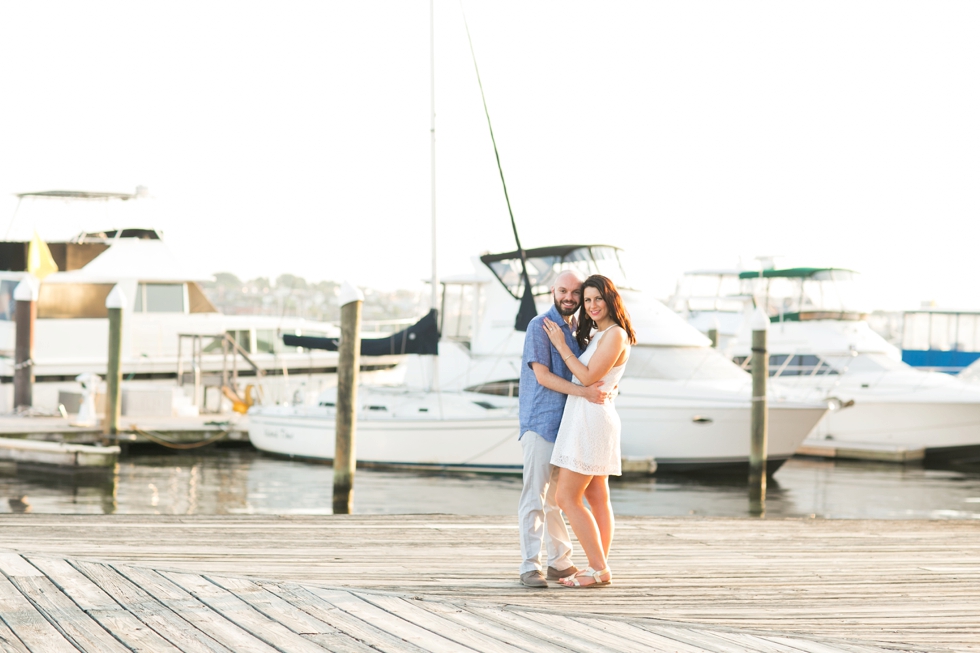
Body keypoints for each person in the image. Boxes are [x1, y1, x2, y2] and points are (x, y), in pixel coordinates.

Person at [518, 269, 612, 588]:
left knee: (557, 499)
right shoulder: (539, 326)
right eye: (563, 291)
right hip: (541, 423)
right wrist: (587, 392)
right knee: (534, 496)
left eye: (575, 292)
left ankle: (560, 562)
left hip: (569, 427)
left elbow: (592, 369)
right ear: (552, 291)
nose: (569, 298)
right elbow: (543, 377)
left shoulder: (578, 330)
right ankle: (530, 565)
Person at [542, 274, 636, 588]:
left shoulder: (615, 335)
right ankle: (599, 565)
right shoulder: (600, 334)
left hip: (591, 421)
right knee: (597, 497)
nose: (592, 305)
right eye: (587, 300)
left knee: (566, 497)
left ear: (611, 300)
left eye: (597, 298)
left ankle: (598, 569)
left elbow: (586, 377)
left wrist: (560, 345)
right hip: (590, 416)